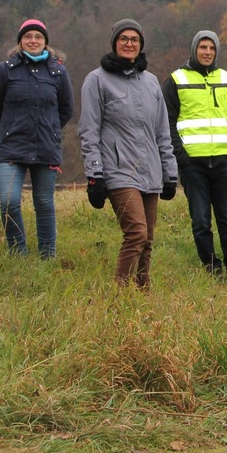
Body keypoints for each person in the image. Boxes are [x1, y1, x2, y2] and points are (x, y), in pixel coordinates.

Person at [79, 19, 178, 288]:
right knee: (136, 233)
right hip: (117, 170)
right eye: (123, 38)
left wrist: (170, 173)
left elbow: (162, 132)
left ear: (141, 45)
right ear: (114, 43)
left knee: (147, 240)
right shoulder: (96, 80)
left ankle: (142, 295)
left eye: (134, 39)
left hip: (151, 171)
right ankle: (120, 296)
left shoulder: (151, 82)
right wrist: (94, 175)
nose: (129, 43)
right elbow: (89, 132)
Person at [0, 18, 73, 260]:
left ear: (45, 42)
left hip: (46, 146)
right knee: (8, 202)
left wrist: (51, 129)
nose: (33, 40)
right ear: (20, 42)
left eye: (38, 36)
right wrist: (8, 127)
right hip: (12, 147)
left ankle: (47, 256)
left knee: (44, 203)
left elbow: (66, 108)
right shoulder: (6, 70)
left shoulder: (58, 71)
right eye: (28, 37)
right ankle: (18, 253)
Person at [163, 30, 227, 276]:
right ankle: (211, 267)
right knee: (200, 220)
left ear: (216, 51)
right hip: (193, 165)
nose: (207, 52)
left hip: (223, 163)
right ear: (194, 50)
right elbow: (166, 122)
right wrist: (182, 158)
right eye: (203, 47)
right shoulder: (176, 80)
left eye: (211, 48)